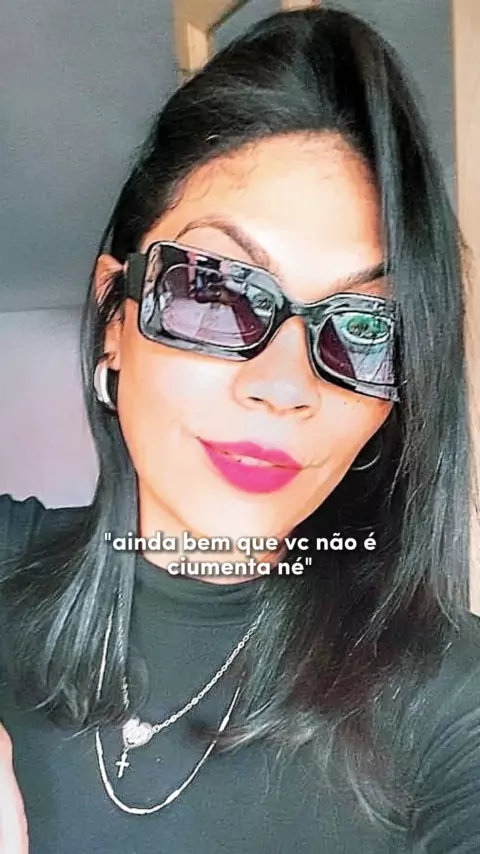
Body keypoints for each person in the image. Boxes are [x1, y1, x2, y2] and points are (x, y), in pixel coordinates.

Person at [1, 5, 479, 853]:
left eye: (362, 328)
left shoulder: (450, 703)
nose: (285, 385)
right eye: (214, 291)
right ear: (116, 316)